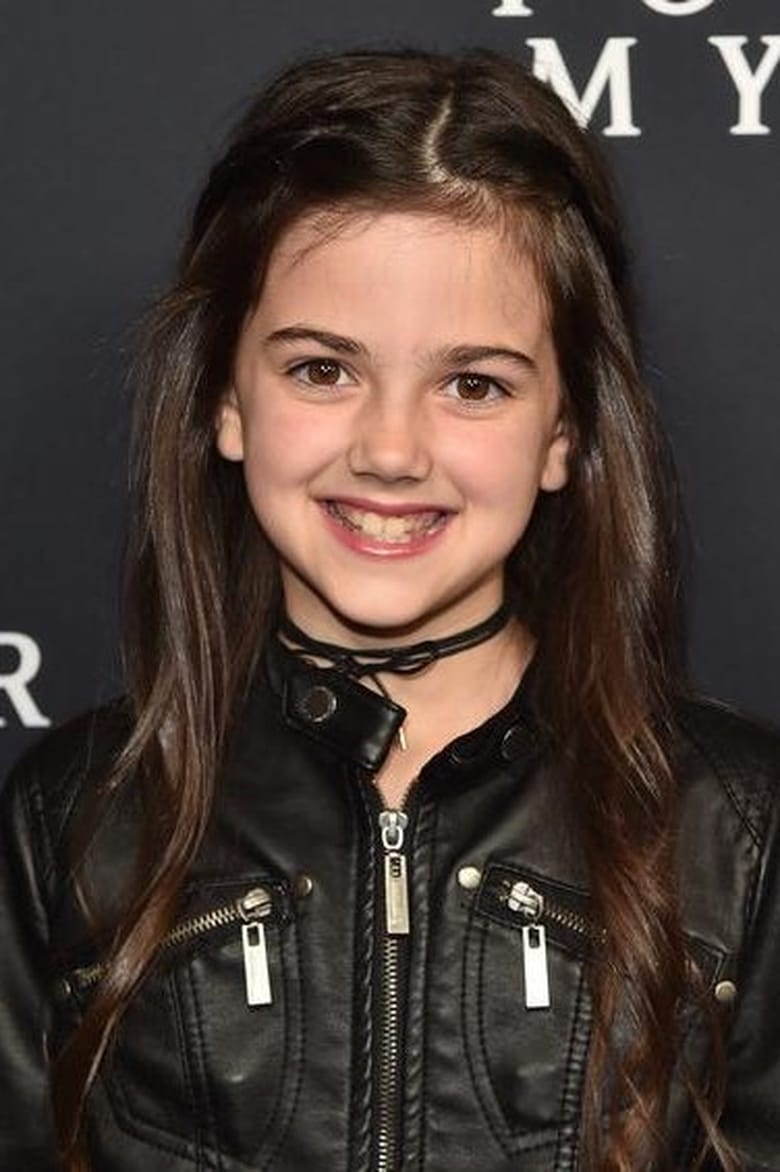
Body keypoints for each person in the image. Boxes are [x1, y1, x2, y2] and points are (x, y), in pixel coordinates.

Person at [1, 47, 779, 1172]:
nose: (391, 449)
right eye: (323, 369)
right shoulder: (73, 818)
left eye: (474, 383)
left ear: (564, 434)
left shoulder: (739, 832)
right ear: (226, 401)